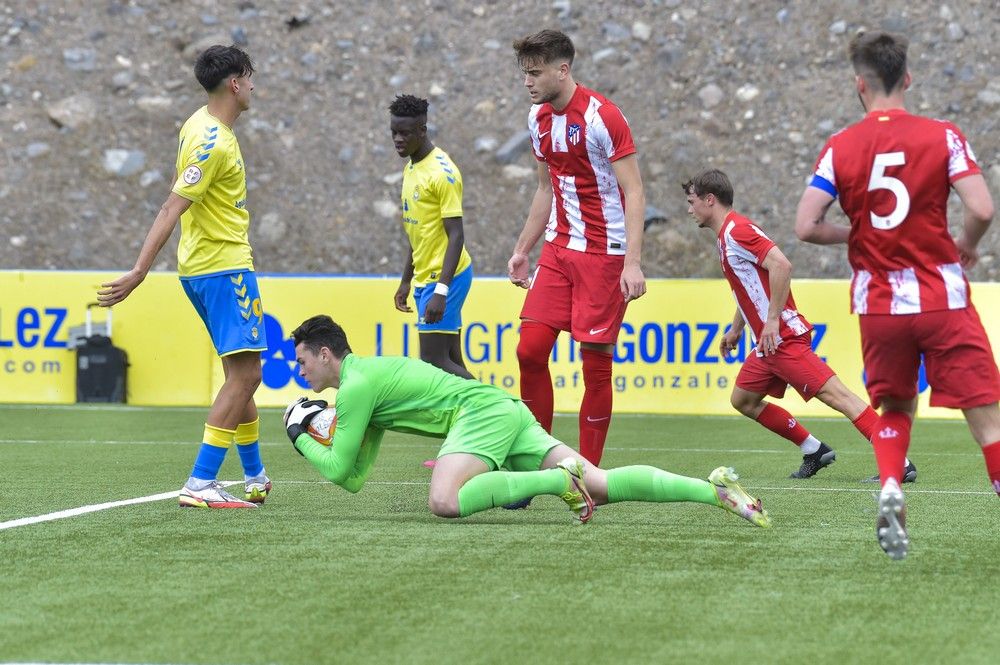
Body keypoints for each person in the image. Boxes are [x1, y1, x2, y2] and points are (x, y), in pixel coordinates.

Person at [795, 30, 1000, 560]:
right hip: (941, 297)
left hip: (880, 305)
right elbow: (980, 208)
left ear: (859, 84)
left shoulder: (841, 145)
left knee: (894, 406)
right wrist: (966, 247)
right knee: (988, 420)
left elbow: (806, 225)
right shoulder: (943, 135)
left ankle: (890, 485)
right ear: (906, 78)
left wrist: (859, 232)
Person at [281, 315, 772, 529]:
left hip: (482, 414)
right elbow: (353, 476)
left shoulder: (356, 387)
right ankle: (715, 491)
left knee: (444, 501)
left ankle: (555, 481)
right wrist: (314, 434)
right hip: (503, 410)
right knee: (598, 484)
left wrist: (300, 434)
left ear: (326, 354)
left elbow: (336, 467)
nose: (300, 372)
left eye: (303, 362)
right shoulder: (365, 382)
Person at [97, 45, 268, 509]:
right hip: (223, 266)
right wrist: (139, 270)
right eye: (250, 77)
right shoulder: (211, 139)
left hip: (203, 265)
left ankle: (254, 476)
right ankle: (200, 483)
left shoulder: (197, 123)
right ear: (235, 82)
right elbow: (172, 204)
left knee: (241, 372)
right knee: (248, 372)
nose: (254, 85)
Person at [684, 170, 917, 482]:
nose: (690, 209)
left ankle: (899, 463)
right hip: (767, 344)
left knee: (840, 398)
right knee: (743, 399)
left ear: (709, 200)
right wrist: (736, 328)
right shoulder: (727, 235)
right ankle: (814, 449)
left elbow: (781, 265)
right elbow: (750, 286)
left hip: (781, 339)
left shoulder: (736, 231)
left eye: (692, 201)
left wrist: (770, 322)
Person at [506, 29, 647, 470]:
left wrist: (633, 263)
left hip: (605, 255)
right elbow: (545, 188)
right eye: (524, 73)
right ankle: (536, 463)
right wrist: (523, 248)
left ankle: (586, 475)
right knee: (529, 350)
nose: (527, 82)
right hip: (559, 249)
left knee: (595, 365)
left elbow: (635, 192)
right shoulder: (538, 119)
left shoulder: (604, 117)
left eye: (535, 73)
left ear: (562, 70)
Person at [389, 94, 474, 381]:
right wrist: (405, 279)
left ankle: (502, 411)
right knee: (451, 360)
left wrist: (441, 291)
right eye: (394, 132)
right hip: (426, 277)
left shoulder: (442, 173)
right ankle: (476, 421)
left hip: (445, 278)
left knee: (433, 361)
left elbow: (456, 236)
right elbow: (419, 232)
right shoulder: (412, 166)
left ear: (422, 131)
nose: (398, 139)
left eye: (405, 133)